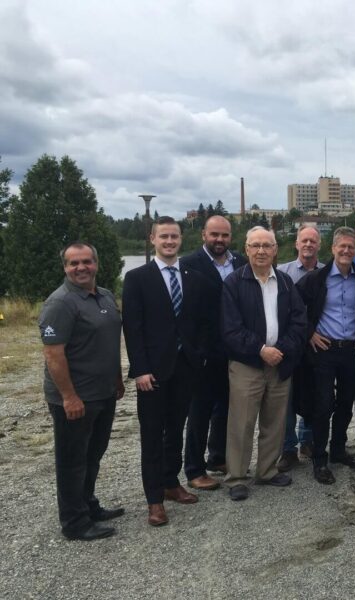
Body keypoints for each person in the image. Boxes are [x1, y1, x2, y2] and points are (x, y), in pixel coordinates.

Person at [122, 216, 211, 527]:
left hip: (185, 367)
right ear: (153, 240)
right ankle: (154, 500)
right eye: (164, 237)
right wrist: (140, 370)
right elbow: (132, 329)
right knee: (152, 435)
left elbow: (201, 323)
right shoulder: (137, 278)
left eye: (174, 237)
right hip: (153, 372)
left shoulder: (193, 277)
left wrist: (197, 355)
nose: (170, 242)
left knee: (175, 429)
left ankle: (171, 483)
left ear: (181, 239)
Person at [39, 242, 125, 541]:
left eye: (86, 261)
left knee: (93, 454)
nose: (80, 268)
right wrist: (68, 397)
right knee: (72, 461)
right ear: (65, 267)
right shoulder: (60, 303)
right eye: (73, 263)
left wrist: (116, 378)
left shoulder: (104, 296)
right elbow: (53, 354)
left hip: (102, 393)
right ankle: (75, 523)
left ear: (96, 264)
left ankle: (88, 505)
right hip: (76, 398)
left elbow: (109, 341)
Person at [220, 227, 307, 501]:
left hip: (279, 363)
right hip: (247, 364)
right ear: (245, 249)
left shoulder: (284, 282)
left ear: (275, 250)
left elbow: (298, 321)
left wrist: (280, 350)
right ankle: (236, 477)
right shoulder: (234, 283)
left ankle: (267, 471)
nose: (261, 251)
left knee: (275, 421)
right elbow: (230, 328)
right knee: (242, 423)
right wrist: (260, 350)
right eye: (255, 245)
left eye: (266, 246)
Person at [179, 215, 246, 490]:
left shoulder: (241, 262)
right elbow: (184, 312)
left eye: (224, 235)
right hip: (203, 351)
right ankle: (194, 468)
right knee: (200, 411)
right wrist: (191, 349)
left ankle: (217, 456)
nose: (219, 240)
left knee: (227, 408)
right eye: (214, 235)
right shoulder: (188, 265)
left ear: (231, 237)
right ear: (203, 235)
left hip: (233, 350)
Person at [296, 227, 355, 485]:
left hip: (351, 350)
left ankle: (338, 449)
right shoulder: (317, 278)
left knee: (346, 402)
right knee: (323, 404)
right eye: (342, 247)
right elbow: (293, 306)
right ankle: (319, 457)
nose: (346, 251)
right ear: (333, 249)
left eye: (351, 247)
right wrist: (309, 333)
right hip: (323, 350)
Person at [276, 225, 324, 472]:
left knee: (312, 394)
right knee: (287, 397)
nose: (308, 245)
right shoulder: (281, 273)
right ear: (296, 244)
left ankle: (308, 441)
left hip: (317, 346)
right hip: (289, 345)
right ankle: (288, 449)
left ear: (319, 245)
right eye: (304, 240)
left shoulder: (327, 272)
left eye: (313, 241)